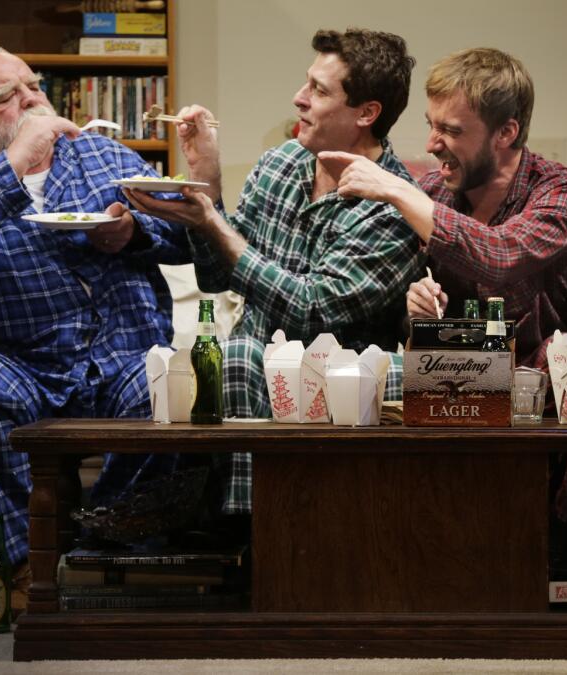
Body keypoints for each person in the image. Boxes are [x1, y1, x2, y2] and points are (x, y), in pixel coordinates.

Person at [0, 45, 190, 606]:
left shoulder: (106, 157)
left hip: (123, 359)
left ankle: (100, 546)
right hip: (25, 368)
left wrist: (133, 235)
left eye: (34, 87)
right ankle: (24, 558)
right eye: (8, 97)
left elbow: (189, 236)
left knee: (173, 381)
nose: (32, 101)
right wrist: (15, 162)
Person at [125, 28, 423, 515]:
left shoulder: (391, 209)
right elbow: (218, 275)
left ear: (367, 114)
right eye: (306, 83)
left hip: (332, 395)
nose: (299, 99)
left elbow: (312, 311)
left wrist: (212, 221)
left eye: (320, 91)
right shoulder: (280, 165)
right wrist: (208, 182)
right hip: (248, 380)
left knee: (238, 354)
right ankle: (204, 531)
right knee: (208, 362)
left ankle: (248, 536)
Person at [318, 47, 567, 367]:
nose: (431, 144)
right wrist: (415, 310)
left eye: (451, 130)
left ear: (505, 132)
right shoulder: (430, 193)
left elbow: (501, 255)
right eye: (431, 125)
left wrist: (397, 188)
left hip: (538, 402)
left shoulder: (566, 191)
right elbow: (393, 319)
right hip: (450, 393)